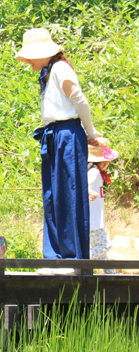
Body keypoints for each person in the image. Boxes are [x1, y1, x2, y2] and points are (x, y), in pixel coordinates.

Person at [15, 28, 108, 270]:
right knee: (52, 195)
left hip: (67, 133)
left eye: (30, 57)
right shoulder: (47, 73)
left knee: (69, 192)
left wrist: (91, 133)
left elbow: (80, 100)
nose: (29, 62)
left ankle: (73, 257)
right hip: (54, 135)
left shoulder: (60, 68)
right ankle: (55, 255)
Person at [87, 145, 119, 274]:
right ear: (104, 161)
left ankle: (108, 270)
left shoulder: (96, 172)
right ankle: (81, 259)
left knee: (98, 246)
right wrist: (89, 191)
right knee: (105, 245)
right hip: (93, 220)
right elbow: (84, 184)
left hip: (95, 219)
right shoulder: (94, 172)